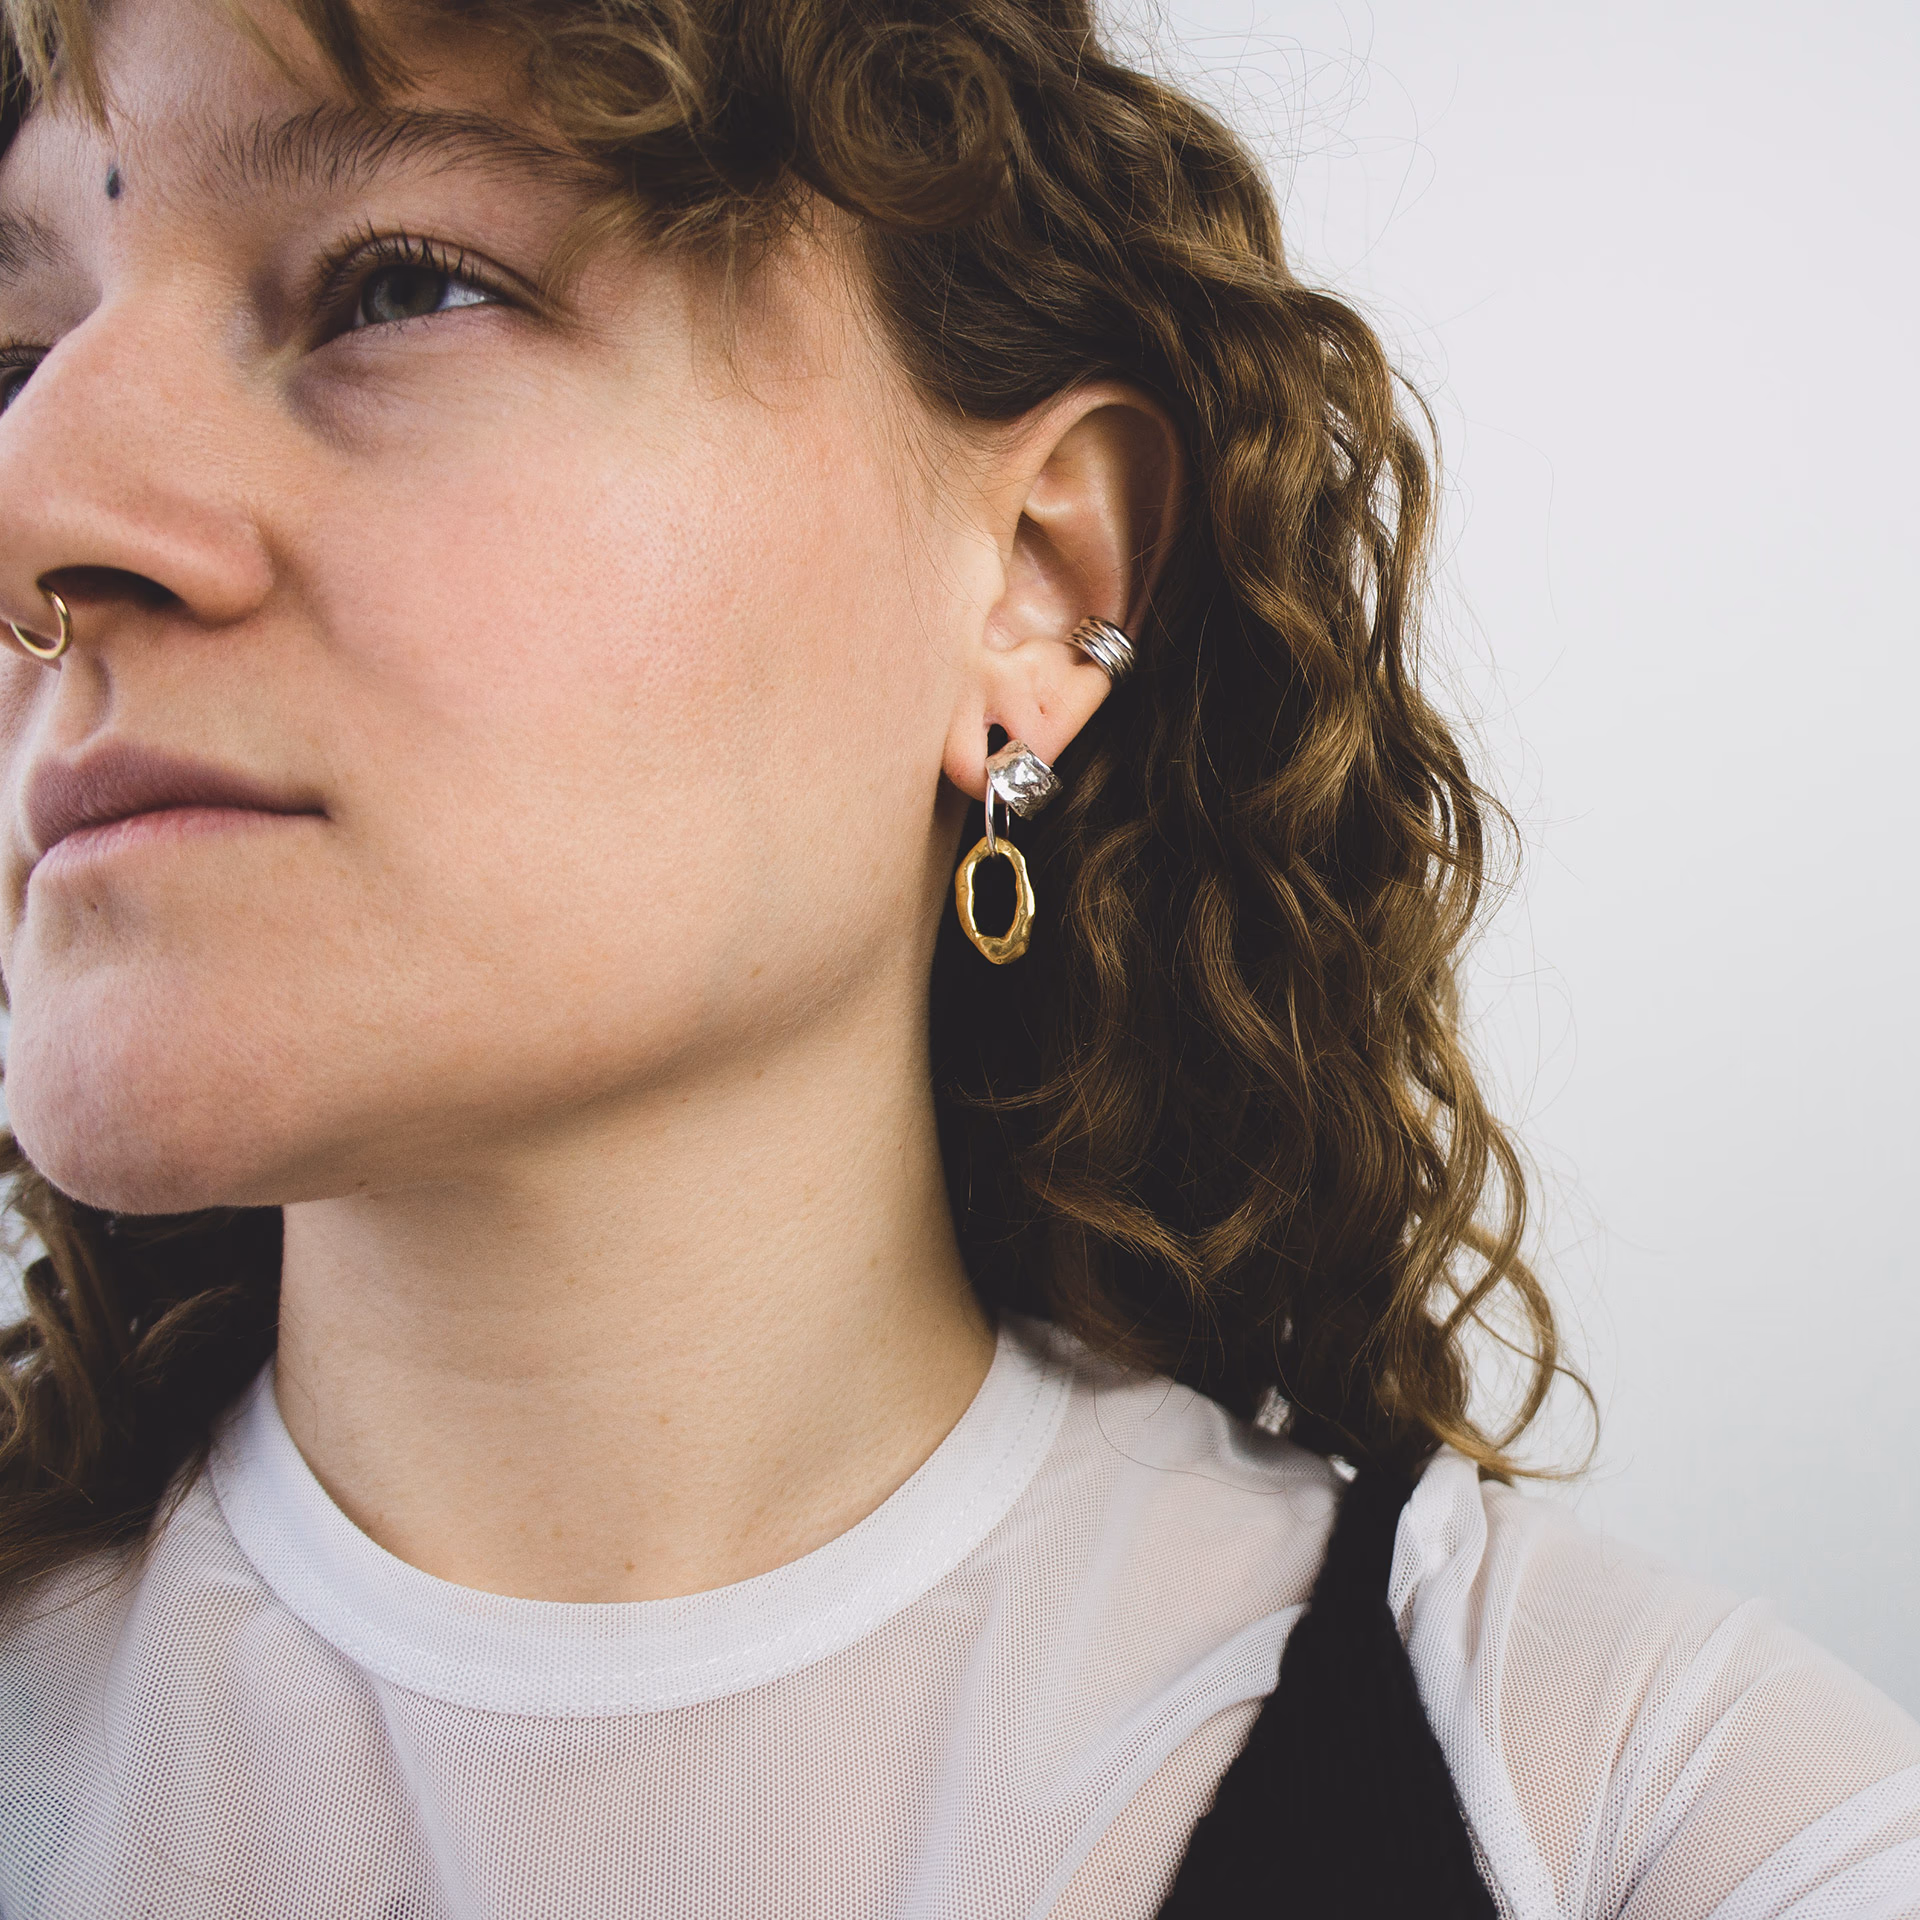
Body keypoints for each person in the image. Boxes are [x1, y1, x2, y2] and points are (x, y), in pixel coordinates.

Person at [0, 0, 1914, 1915]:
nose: (36, 504)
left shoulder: (1643, 1818)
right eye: (16, 359)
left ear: (1037, 589)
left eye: (401, 287)